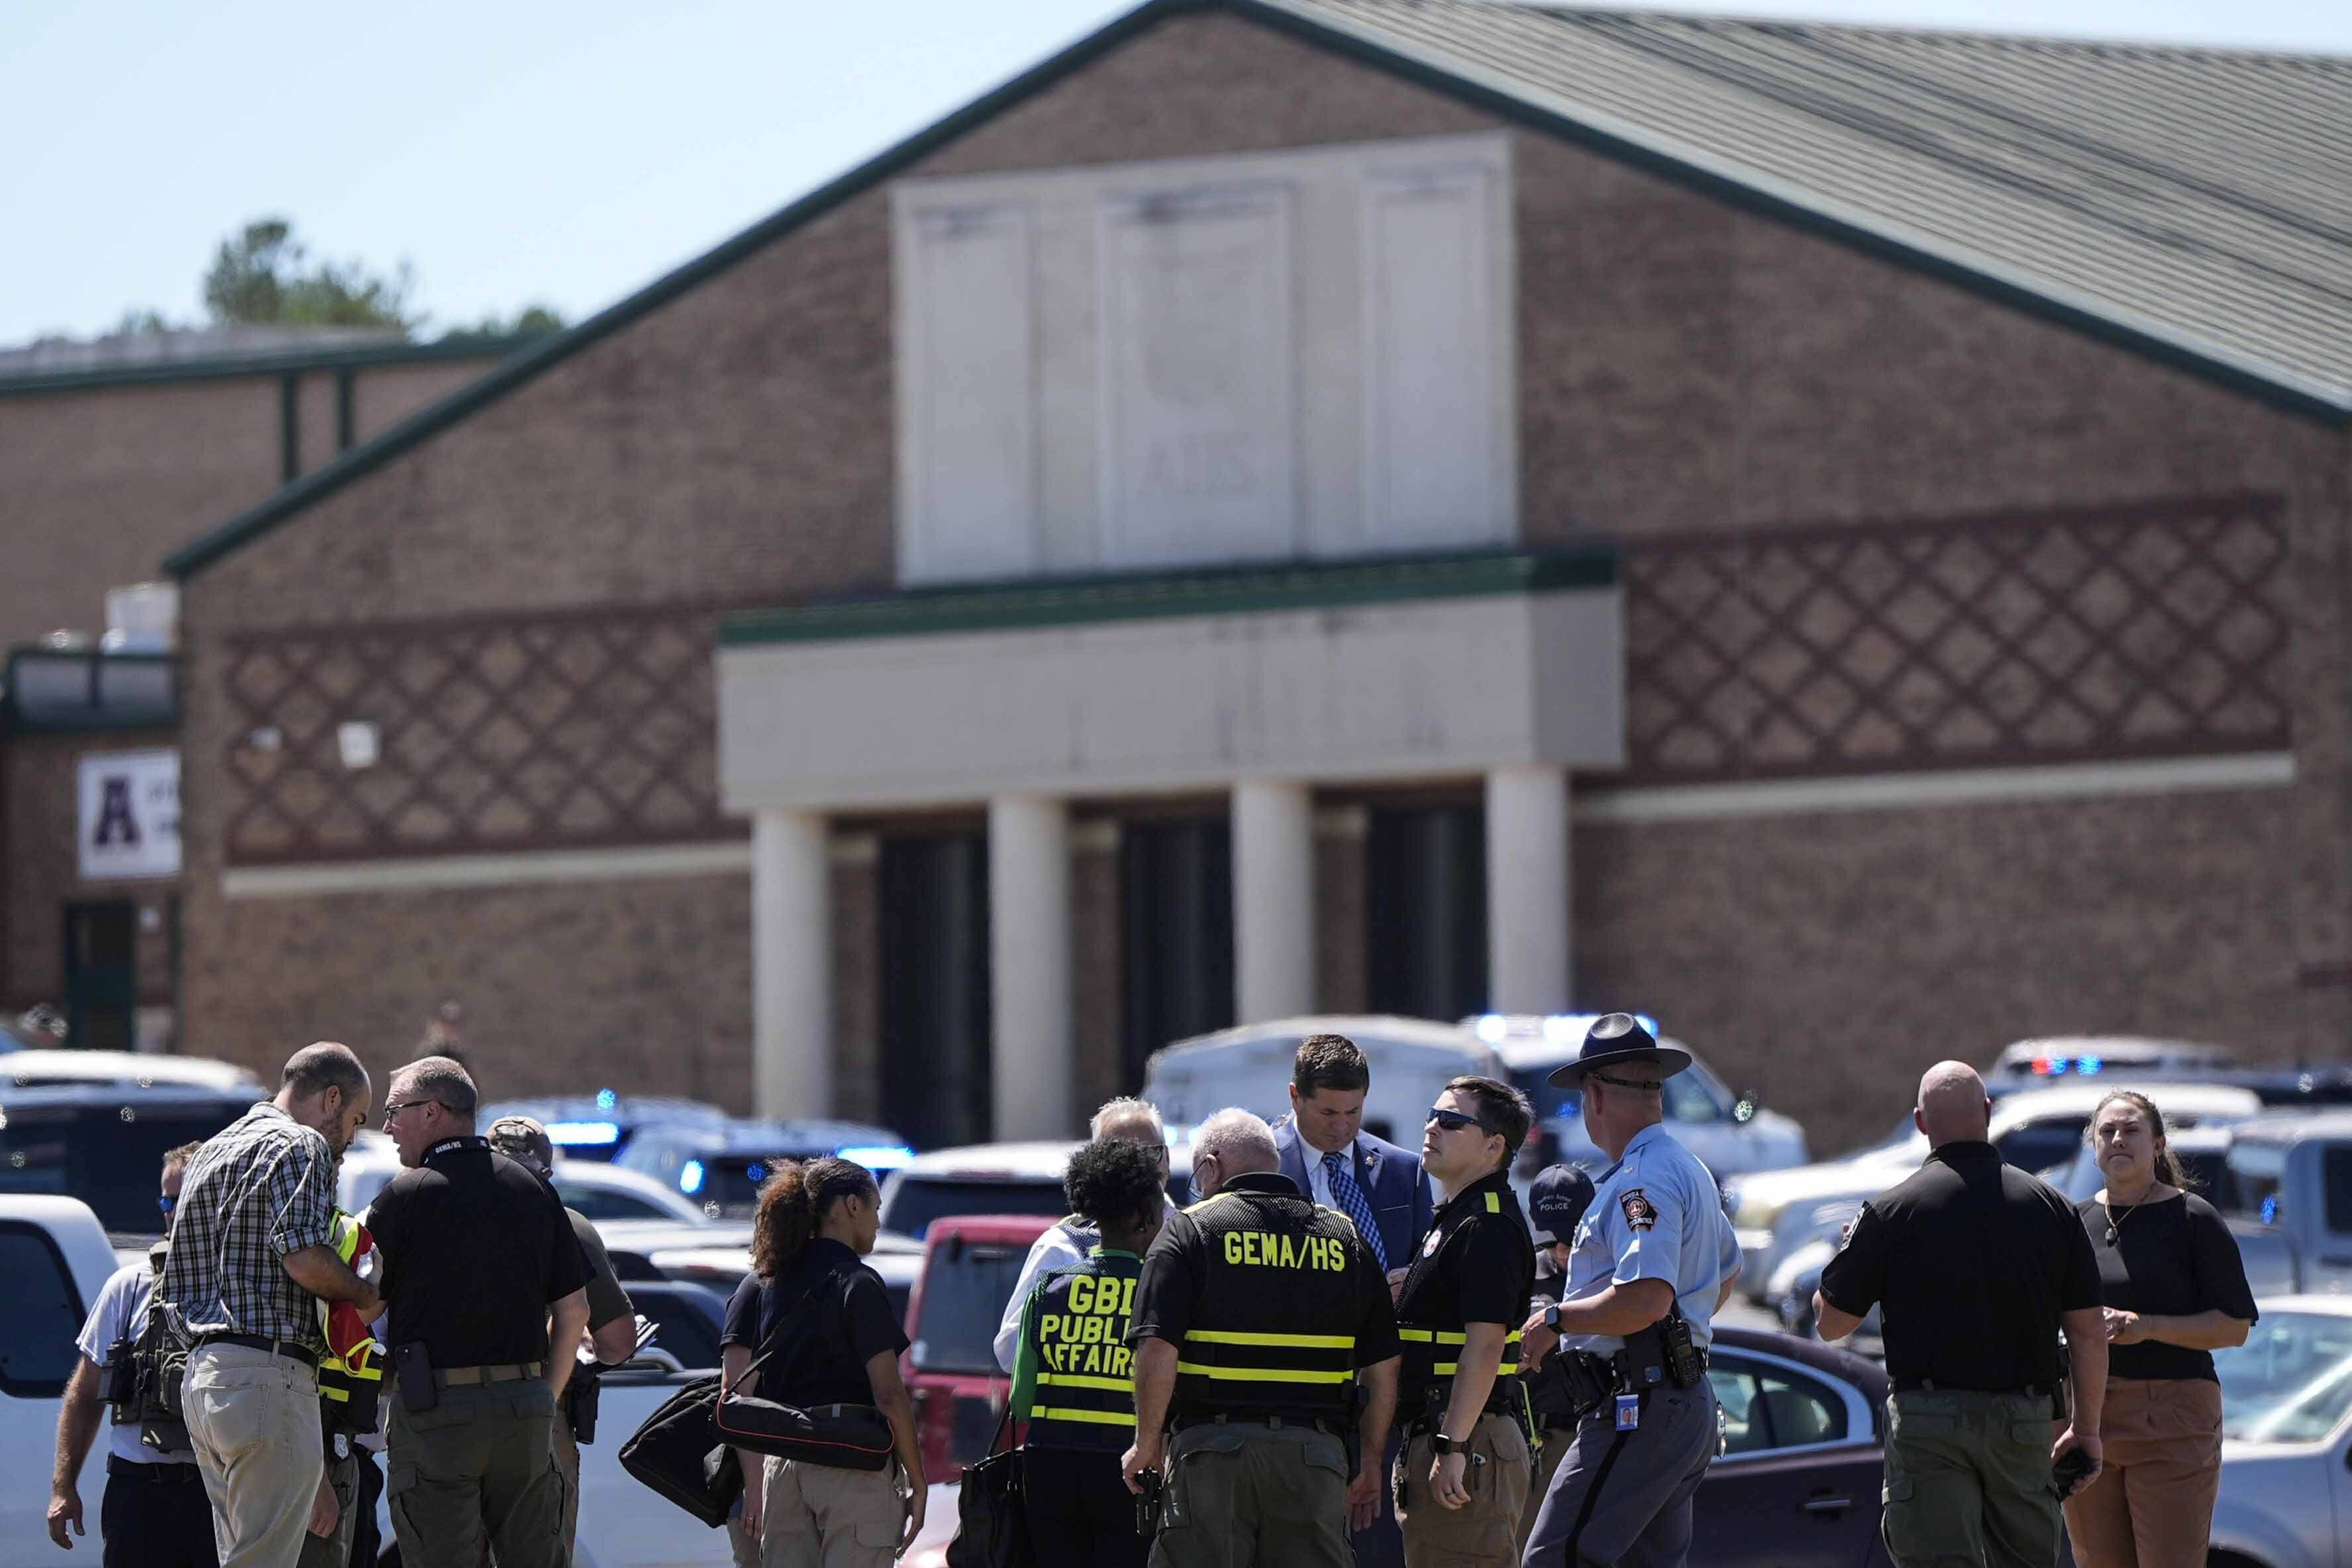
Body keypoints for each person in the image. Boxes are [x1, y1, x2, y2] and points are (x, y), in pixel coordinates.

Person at [1815, 1060, 2108, 1568]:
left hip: (1929, 1420)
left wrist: (1841, 1260)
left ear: (1920, 1121)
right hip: (2022, 1418)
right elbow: (2087, 1333)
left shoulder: (1891, 1211)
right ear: (1988, 1114)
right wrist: (2085, 1429)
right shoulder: (2052, 1207)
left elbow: (1831, 1324)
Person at [1121, 1108, 1400, 1568]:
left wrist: (1146, 1442)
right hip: (1315, 1459)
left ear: (1211, 1167)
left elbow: (1157, 1347)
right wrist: (1370, 1461)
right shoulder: (1343, 1237)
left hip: (1212, 1458)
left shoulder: (1188, 1230)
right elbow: (1383, 1365)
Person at [1517, 1015, 1741, 1568]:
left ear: (1594, 1095)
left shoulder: (1642, 1180)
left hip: (1637, 1403)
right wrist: (1678, 1340)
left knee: (1555, 1559)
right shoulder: (1687, 1169)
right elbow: (1726, 1272)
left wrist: (1555, 1321)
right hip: (1674, 1399)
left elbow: (1645, 1300)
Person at [154, 1042, 381, 1568]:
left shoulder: (211, 1149)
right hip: (265, 1376)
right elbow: (303, 1257)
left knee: (244, 1556)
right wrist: (364, 1291)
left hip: (202, 1381)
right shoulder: (303, 1145)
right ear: (330, 1099)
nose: (350, 1137)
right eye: (354, 1119)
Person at [364, 1056, 590, 1568]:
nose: (387, 1127)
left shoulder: (405, 1195)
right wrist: (541, 1397)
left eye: (394, 1110)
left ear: (432, 1112)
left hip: (438, 1415)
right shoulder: (534, 1189)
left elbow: (366, 1306)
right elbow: (574, 1310)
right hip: (525, 1409)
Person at [2061, 1090, 2255, 1568]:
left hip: (2171, 1418)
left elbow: (2233, 1328)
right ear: (2093, 1146)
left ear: (2158, 1145)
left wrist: (2144, 1327)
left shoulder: (2192, 1218)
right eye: (2106, 1131)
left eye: (2130, 1130)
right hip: (2086, 1418)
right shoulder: (2073, 1221)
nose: (2117, 1139)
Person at [1273, 1033, 1435, 1568]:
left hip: (1378, 1394)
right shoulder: (1260, 1167)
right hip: (1288, 1396)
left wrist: (1408, 1283)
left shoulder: (1401, 1171)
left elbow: (1429, 1271)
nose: (1341, 1126)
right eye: (1327, 1112)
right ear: (1295, 1096)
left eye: (1354, 1111)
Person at [723, 1158, 925, 1567]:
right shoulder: (858, 1282)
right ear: (852, 1206)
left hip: (786, 1466)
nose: (879, 1223)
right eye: (876, 1208)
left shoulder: (771, 1282)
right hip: (851, 1463)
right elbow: (889, 1395)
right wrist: (916, 1481)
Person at [1386, 1076, 1536, 1568]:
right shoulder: (1457, 1217)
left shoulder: (1486, 1223)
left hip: (1466, 1440)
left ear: (1494, 1146)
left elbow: (1486, 1346)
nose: (1432, 1127)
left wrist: (1451, 1445)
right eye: (1432, 1116)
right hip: (1443, 1435)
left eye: (1451, 1121)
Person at [48, 1143, 218, 1568]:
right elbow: (85, 1394)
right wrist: (63, 1486)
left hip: (216, 1492)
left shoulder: (243, 1287)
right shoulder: (129, 1286)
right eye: (167, 1200)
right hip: (138, 1490)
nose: (173, 1211)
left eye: (186, 1199)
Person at [486, 1114, 642, 1565]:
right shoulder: (567, 1225)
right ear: (547, 1173)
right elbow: (617, 1341)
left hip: (442, 1411)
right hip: (536, 1408)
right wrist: (573, 1337)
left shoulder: (436, 1211)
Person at [1005, 1139, 1166, 1568]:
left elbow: (1021, 1403)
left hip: (1048, 1468)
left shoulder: (1049, 1287)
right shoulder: (1156, 1294)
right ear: (1141, 1217)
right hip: (1127, 1471)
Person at [994, 1097, 1174, 1374]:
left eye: (1149, 1153)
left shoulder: (1193, 1235)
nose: (1136, 1168)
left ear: (1167, 1159)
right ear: (1095, 1163)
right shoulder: (1061, 1246)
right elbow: (1009, 1354)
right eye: (1119, 1155)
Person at [1514, 1163, 1598, 1560]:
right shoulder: (1523, 1274)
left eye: (1572, 1237)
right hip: (1538, 1442)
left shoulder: (1615, 1278)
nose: (1563, 1249)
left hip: (1598, 1437)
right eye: (1552, 1239)